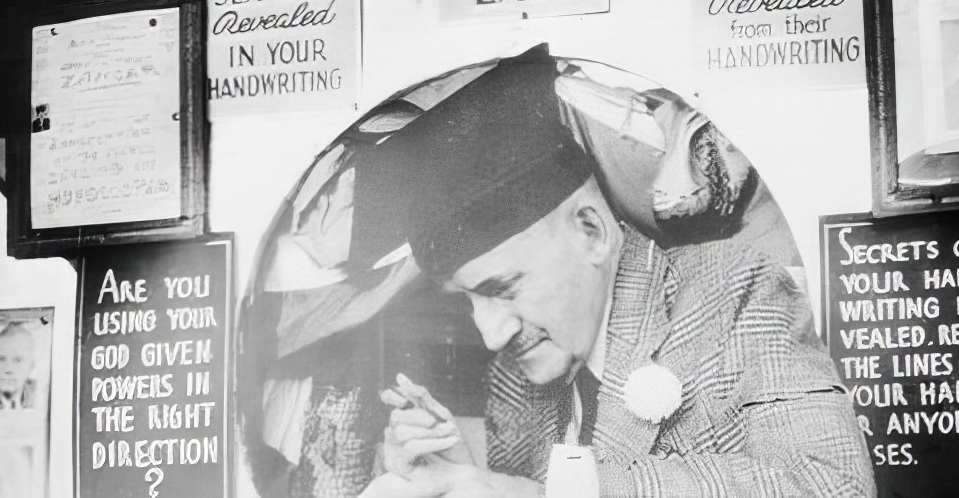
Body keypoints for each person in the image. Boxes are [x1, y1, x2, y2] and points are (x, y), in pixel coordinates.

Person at [356, 47, 874, 496]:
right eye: (468, 300)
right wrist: (455, 479)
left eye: (504, 287)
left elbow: (834, 486)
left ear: (592, 232)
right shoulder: (515, 381)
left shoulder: (739, 295)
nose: (492, 336)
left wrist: (557, 493)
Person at [0, 324, 36, 410]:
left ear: (31, 365)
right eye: (1, 359)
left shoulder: (41, 395)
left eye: (18, 360)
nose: (8, 369)